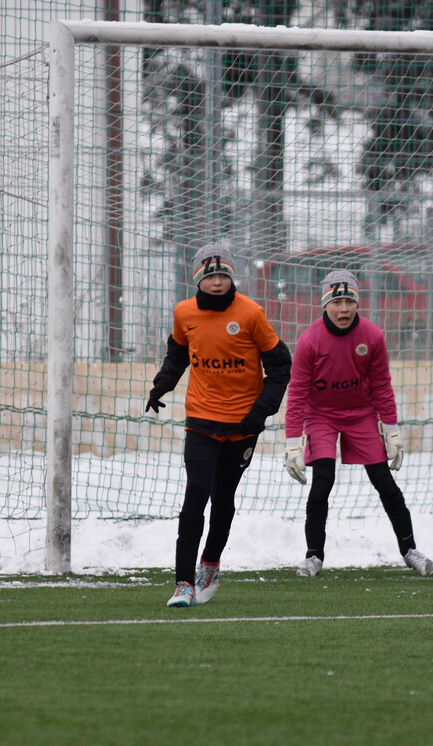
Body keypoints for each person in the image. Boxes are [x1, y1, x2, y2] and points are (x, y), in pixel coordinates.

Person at [146, 244, 291, 607]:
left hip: (243, 424)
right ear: (198, 278)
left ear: (232, 278)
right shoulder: (184, 312)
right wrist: (162, 383)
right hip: (200, 418)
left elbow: (280, 364)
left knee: (222, 498)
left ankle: (209, 563)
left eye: (222, 275)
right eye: (209, 276)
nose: (216, 282)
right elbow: (177, 354)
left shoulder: (251, 313)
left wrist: (262, 411)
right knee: (195, 492)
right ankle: (183, 583)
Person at [283, 269, 433, 578]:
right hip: (321, 415)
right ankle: (313, 556)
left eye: (349, 300)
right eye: (337, 301)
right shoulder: (310, 340)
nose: (344, 308)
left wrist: (391, 429)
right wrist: (291, 442)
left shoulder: (372, 336)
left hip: (361, 414)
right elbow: (297, 392)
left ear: (357, 303)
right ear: (325, 304)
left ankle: (410, 550)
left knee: (383, 480)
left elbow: (382, 385)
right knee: (323, 480)